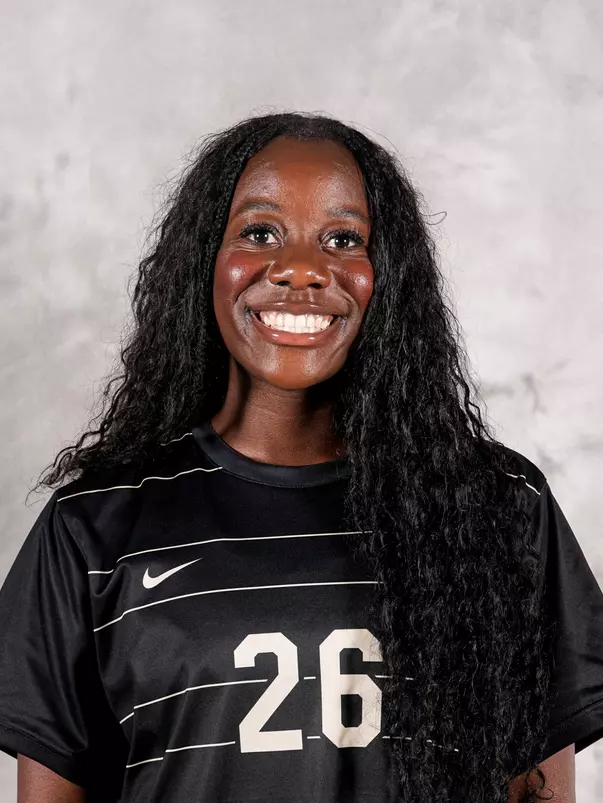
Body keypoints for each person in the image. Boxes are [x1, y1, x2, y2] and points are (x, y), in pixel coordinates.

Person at [0, 112, 601, 803]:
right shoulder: (94, 527)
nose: (301, 269)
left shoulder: (498, 509)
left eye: (343, 239)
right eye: (259, 232)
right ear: (205, 259)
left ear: (388, 276)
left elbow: (539, 792)